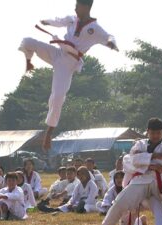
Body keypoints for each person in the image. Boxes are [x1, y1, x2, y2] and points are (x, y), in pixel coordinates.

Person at [18, 0, 119, 151]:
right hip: (57, 52)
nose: (75, 8)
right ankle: (28, 62)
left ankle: (49, 132)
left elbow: (109, 36)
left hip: (68, 63)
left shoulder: (94, 28)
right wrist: (47, 22)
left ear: (86, 7)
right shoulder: (72, 18)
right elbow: (58, 21)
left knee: (58, 96)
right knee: (27, 41)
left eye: (77, 6)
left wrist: (111, 43)